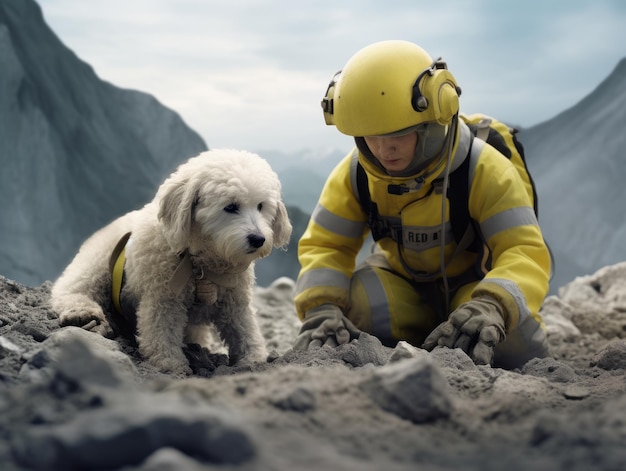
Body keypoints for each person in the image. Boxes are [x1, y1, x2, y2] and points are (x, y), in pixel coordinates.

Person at [292, 40, 551, 369]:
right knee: (355, 308)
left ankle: (462, 328)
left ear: (433, 122)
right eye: (372, 136)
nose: (385, 150)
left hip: (474, 289)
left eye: (399, 134)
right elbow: (326, 246)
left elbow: (523, 250)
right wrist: (321, 310)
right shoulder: (355, 174)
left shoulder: (486, 169)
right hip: (403, 289)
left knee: (513, 342)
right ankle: (433, 339)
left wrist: (492, 306)